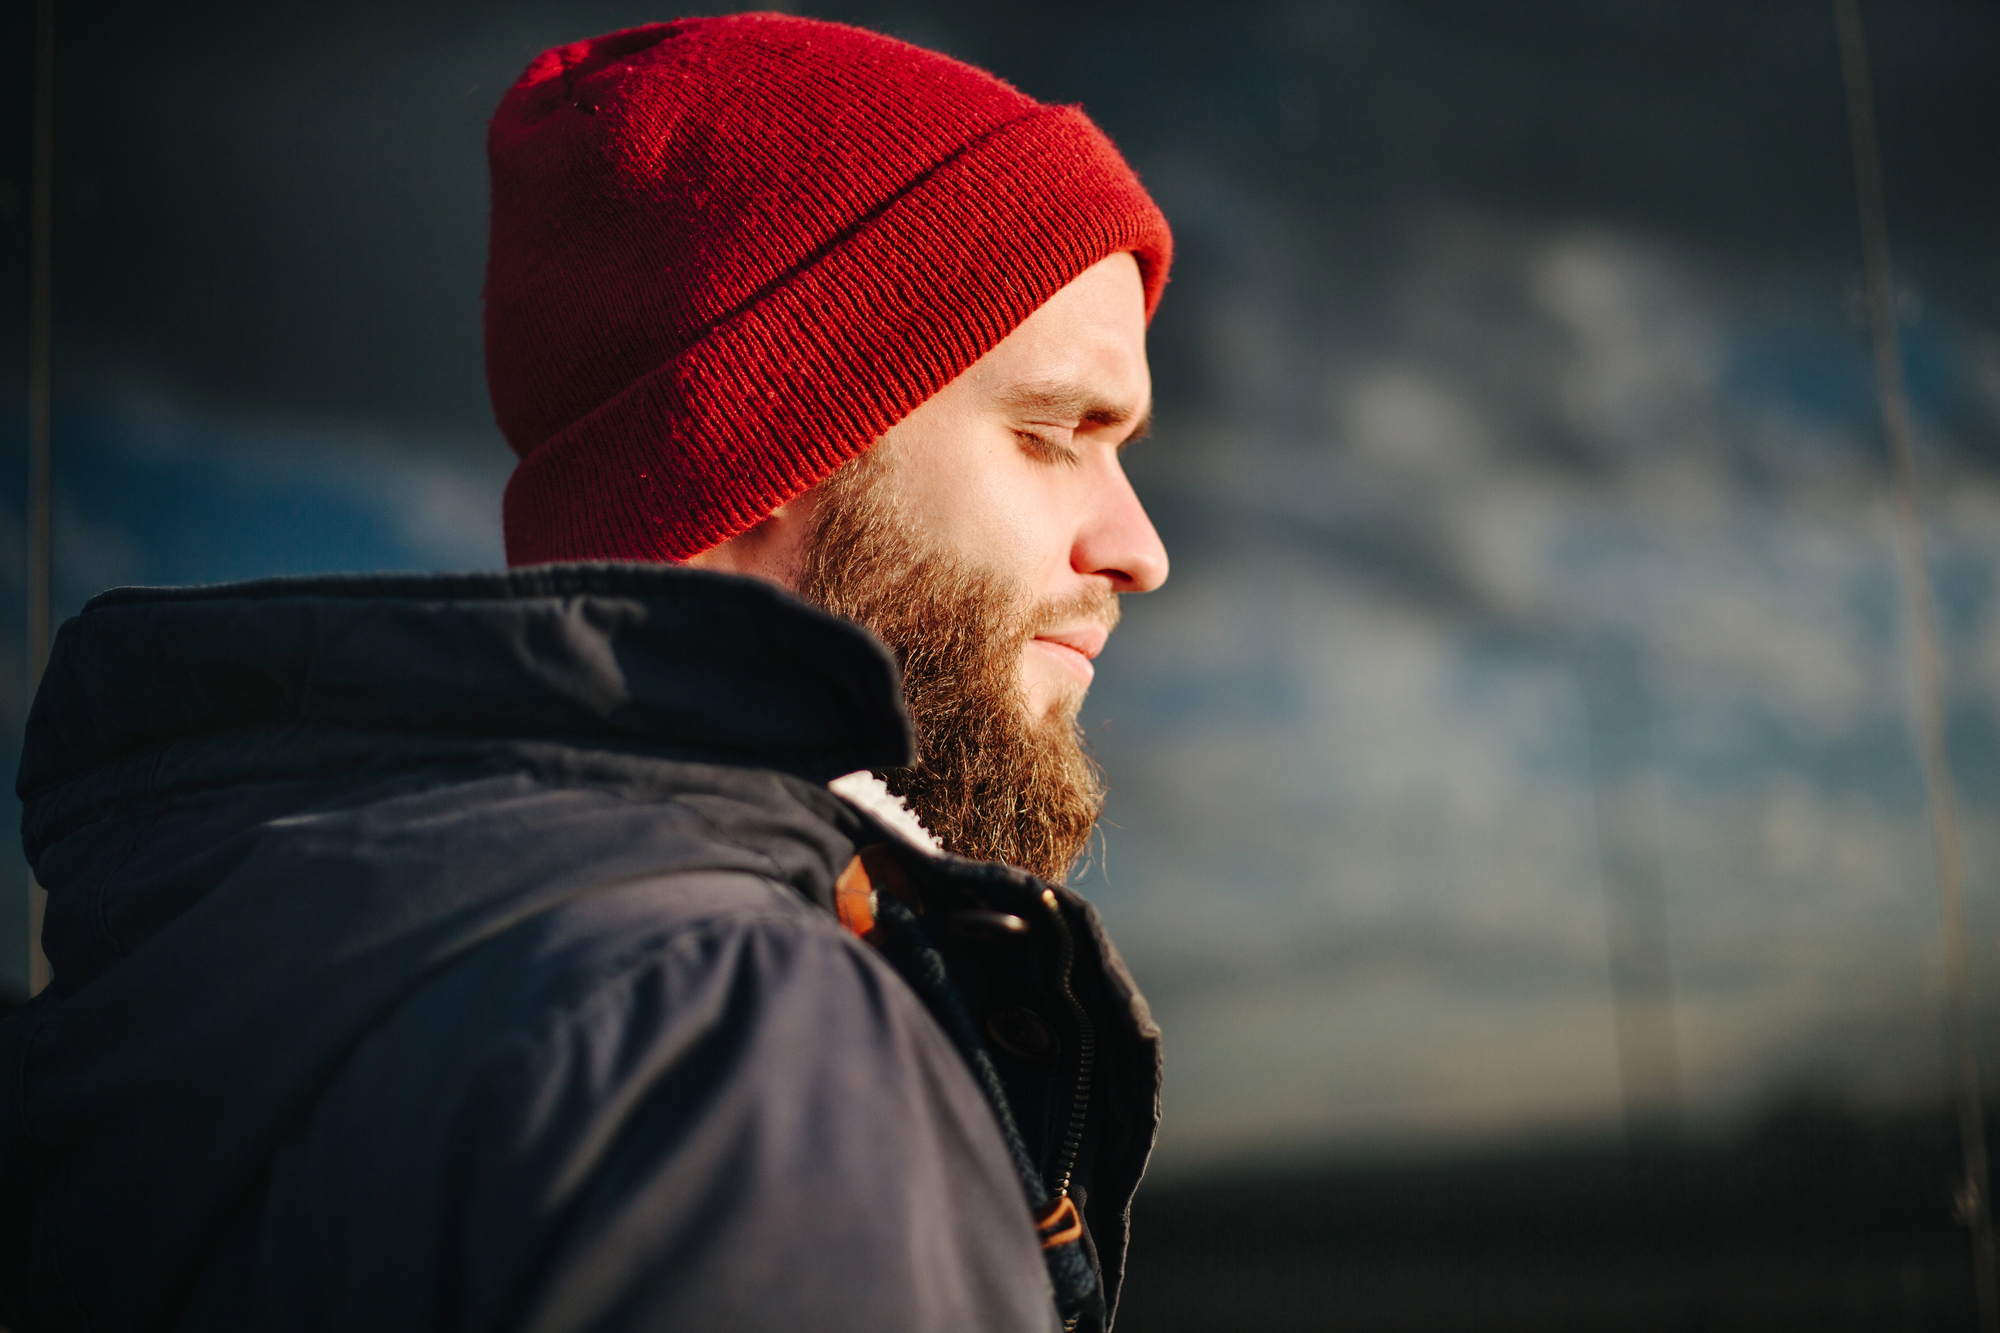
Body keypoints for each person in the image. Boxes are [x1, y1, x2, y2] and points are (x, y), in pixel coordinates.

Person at [0, 14, 1172, 1333]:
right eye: (1052, 433)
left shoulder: (197, 985)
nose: (1141, 550)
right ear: (773, 444)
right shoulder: (736, 1057)